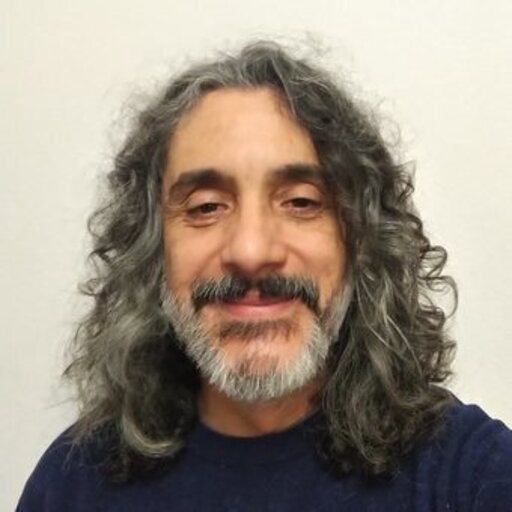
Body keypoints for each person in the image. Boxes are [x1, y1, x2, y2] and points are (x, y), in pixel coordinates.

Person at [17, 40, 512, 511]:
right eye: (206, 207)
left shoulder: (469, 474)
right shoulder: (72, 486)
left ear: (361, 242)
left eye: (301, 202)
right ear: (151, 249)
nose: (251, 252)